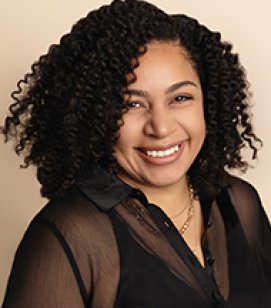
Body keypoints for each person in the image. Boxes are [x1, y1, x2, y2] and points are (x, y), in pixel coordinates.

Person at [1, 0, 271, 307]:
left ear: (207, 103)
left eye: (180, 97)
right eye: (131, 104)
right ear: (96, 115)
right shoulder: (72, 234)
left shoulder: (238, 202)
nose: (160, 127)